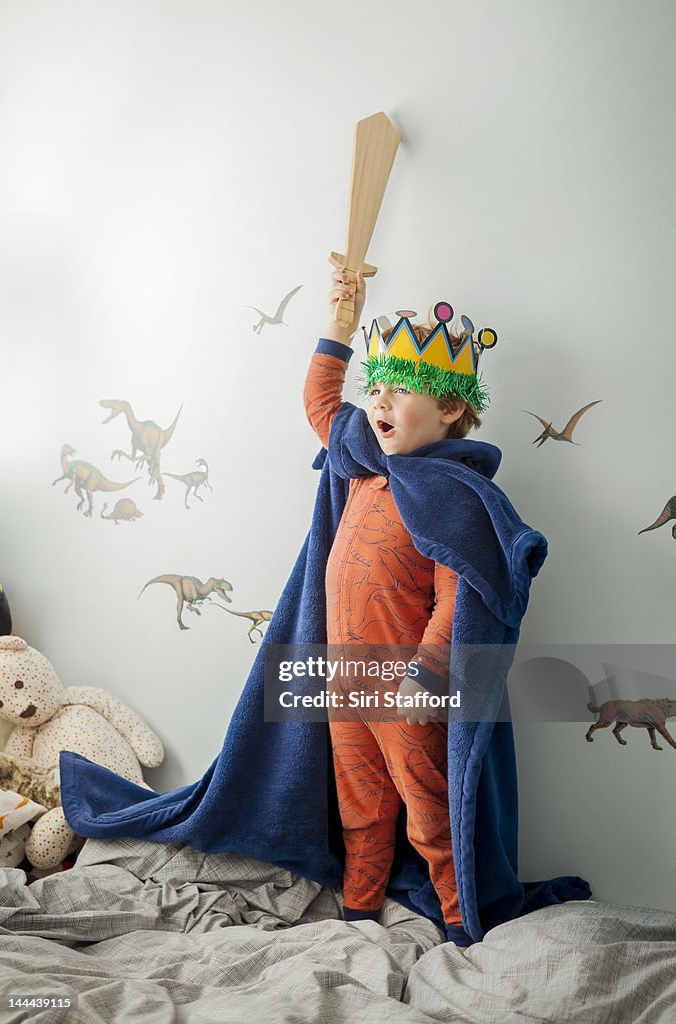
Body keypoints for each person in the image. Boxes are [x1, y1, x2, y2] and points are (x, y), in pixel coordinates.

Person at [303, 266, 483, 949]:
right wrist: (340, 325)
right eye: (375, 387)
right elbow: (322, 403)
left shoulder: (452, 495)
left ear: (450, 409)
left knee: (426, 807)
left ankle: (461, 921)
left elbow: (456, 596)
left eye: (400, 389)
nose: (379, 401)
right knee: (360, 802)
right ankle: (359, 907)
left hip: (405, 684)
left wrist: (427, 675)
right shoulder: (364, 465)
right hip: (345, 676)